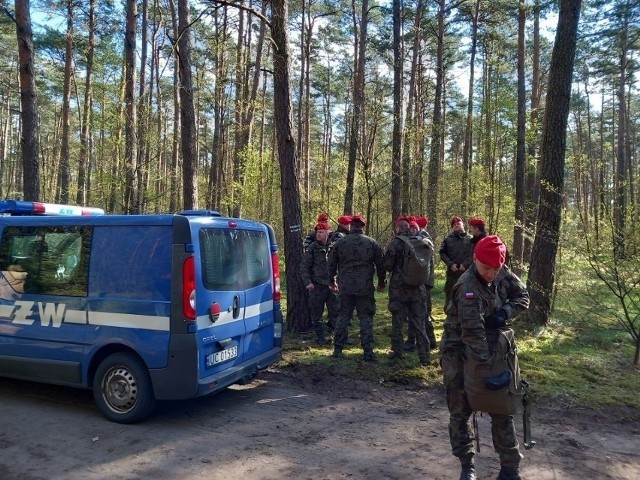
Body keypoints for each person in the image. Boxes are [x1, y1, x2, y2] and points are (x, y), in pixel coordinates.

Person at [440, 235, 529, 480]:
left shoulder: (502, 271)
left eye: (495, 269)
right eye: (485, 268)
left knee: (501, 406)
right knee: (460, 409)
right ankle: (466, 465)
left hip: (495, 346)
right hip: (459, 350)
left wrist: (504, 312)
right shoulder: (468, 287)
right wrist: (487, 371)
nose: (491, 274)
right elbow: (472, 335)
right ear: (475, 259)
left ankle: (510, 468)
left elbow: (523, 297)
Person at [328, 214, 386, 362]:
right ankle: (368, 351)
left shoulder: (340, 243)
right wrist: (381, 282)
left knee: (343, 316)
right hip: (364, 287)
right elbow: (381, 265)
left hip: (346, 286)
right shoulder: (372, 243)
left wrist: (331, 280)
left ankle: (338, 350)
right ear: (363, 227)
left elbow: (331, 264)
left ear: (351, 226)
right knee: (366, 318)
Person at [383, 217, 432, 365]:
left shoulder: (396, 243)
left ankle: (398, 354)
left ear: (398, 228)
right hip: (419, 289)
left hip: (400, 289)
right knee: (419, 323)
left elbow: (387, 266)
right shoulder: (422, 242)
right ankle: (424, 357)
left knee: (398, 322)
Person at [301, 222, 339, 344]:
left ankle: (337, 337)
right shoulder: (312, 248)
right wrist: (308, 282)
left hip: (333, 284)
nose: (318, 234)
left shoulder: (335, 246)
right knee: (316, 313)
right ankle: (320, 337)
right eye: (317, 232)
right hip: (317, 285)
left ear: (328, 233)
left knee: (336, 312)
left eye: (321, 232)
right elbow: (304, 267)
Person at [404, 216, 437, 352]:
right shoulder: (417, 240)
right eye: (410, 228)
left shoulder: (424, 240)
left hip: (423, 283)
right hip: (419, 282)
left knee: (423, 314)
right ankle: (413, 341)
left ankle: (429, 341)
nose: (412, 231)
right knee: (414, 314)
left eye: (414, 228)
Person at [439, 216, 473, 310]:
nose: (456, 225)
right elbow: (442, 253)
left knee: (467, 296)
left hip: (467, 273)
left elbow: (474, 254)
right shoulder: (447, 240)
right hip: (452, 274)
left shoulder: (471, 239)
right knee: (450, 296)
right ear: (452, 227)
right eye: (454, 224)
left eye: (458, 223)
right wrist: (450, 264)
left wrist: (465, 265)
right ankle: (450, 318)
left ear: (463, 224)